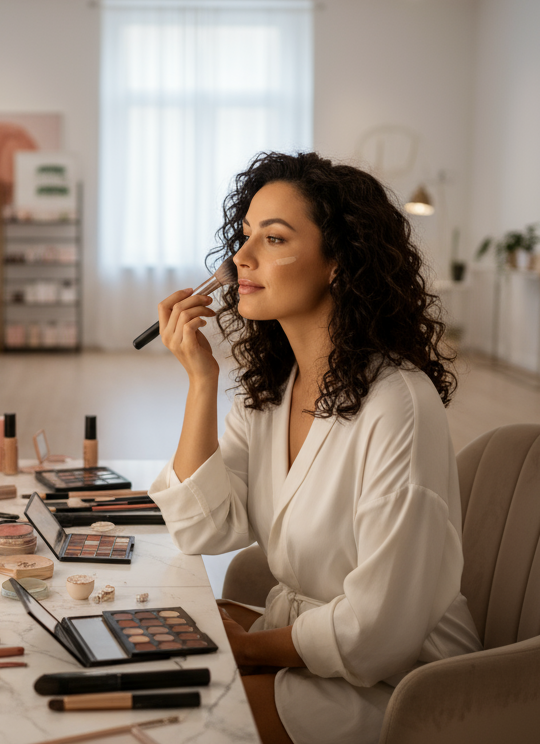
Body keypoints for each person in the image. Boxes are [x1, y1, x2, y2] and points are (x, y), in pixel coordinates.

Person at [149, 152, 482, 744]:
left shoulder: (398, 404)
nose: (241, 258)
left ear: (338, 263)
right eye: (244, 235)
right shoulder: (273, 392)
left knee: (188, 714)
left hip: (404, 685)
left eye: (273, 238)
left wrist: (251, 647)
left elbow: (379, 630)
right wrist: (201, 382)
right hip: (314, 649)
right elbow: (204, 531)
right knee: (159, 667)